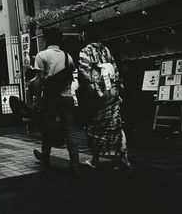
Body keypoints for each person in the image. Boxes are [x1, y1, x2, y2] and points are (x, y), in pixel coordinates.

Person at [32, 27, 80, 176]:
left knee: (48, 127)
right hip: (66, 98)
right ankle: (75, 164)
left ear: (45, 39)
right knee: (69, 130)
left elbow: (39, 81)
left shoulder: (42, 55)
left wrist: (36, 99)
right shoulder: (68, 57)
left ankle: (45, 156)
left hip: (50, 98)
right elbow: (71, 77)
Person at [78, 40, 132, 172]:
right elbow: (116, 71)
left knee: (93, 127)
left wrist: (93, 90)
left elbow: (84, 72)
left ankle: (95, 159)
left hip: (97, 94)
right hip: (112, 91)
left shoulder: (85, 52)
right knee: (116, 125)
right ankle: (124, 159)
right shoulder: (106, 50)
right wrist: (118, 88)